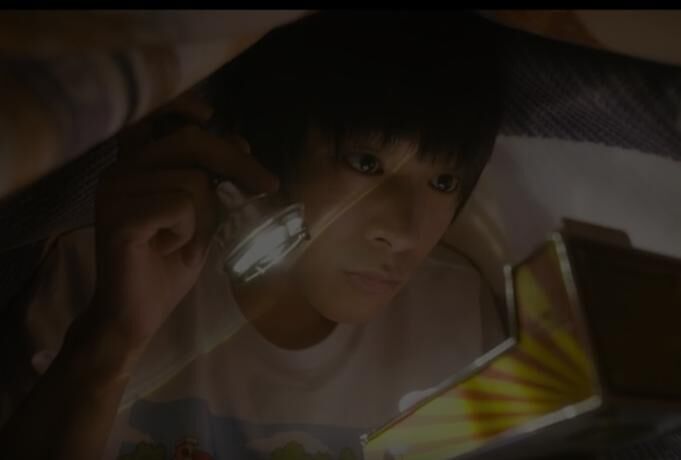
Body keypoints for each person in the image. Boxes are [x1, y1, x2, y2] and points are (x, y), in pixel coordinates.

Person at [0, 11, 507, 460]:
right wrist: (113, 340)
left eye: (444, 182)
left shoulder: (456, 321)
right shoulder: (103, 272)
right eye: (366, 162)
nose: (404, 232)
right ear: (264, 145)